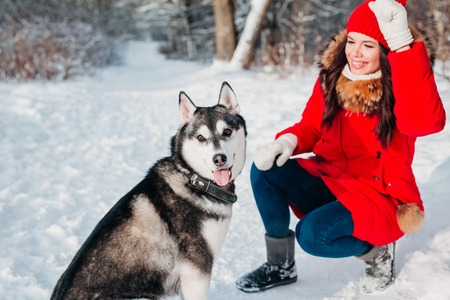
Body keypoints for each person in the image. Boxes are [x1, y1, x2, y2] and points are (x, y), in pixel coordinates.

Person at [236, 0, 446, 294]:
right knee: (266, 169)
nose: (355, 52)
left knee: (312, 236)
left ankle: (378, 253)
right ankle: (280, 265)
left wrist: (403, 45)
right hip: (332, 179)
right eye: (351, 41)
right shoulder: (333, 78)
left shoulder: (401, 87)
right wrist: (288, 141)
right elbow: (310, 125)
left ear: (385, 50)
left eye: (368, 45)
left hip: (379, 194)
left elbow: (425, 123)